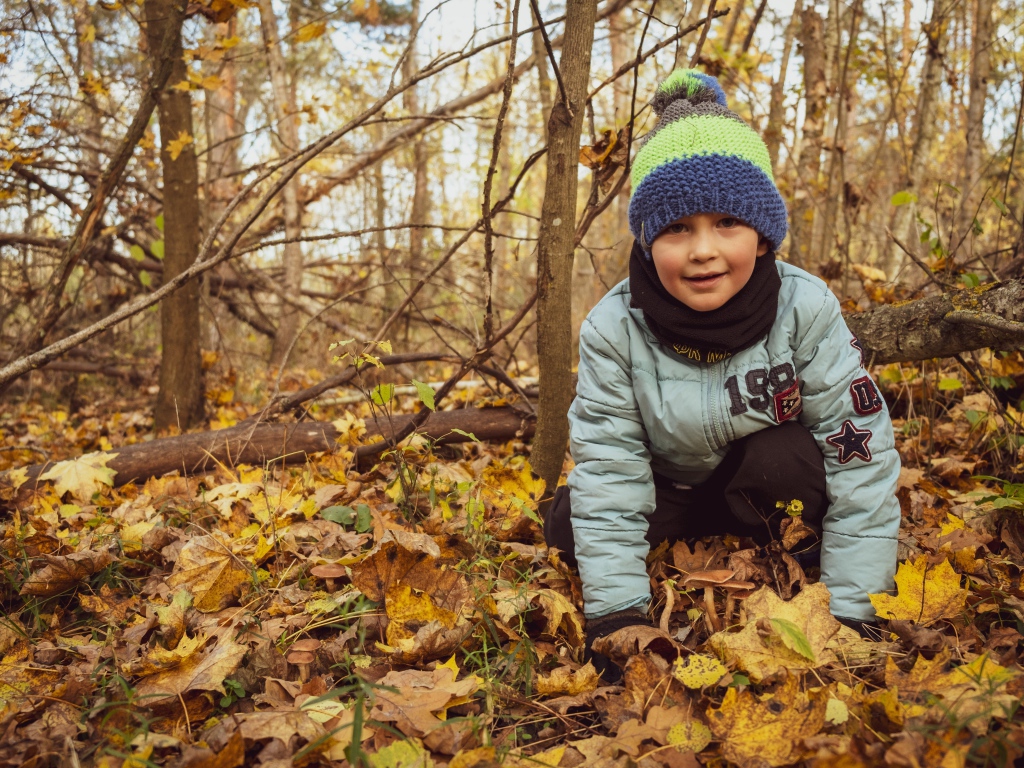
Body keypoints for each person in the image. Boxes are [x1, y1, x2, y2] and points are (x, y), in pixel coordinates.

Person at [543, 69, 900, 676]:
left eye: (725, 224)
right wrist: (617, 616)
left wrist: (855, 607)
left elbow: (858, 454)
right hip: (668, 486)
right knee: (568, 522)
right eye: (678, 228)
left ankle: (784, 551)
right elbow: (609, 467)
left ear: (761, 237)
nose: (702, 249)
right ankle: (667, 549)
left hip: (764, 483)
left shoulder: (805, 308)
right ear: (649, 241)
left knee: (789, 455)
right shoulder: (614, 327)